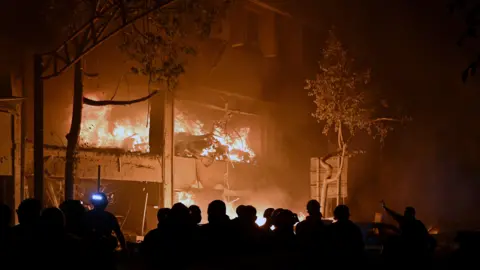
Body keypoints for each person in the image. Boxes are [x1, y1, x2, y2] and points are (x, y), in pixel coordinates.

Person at [84, 192, 127, 268]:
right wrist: (124, 248)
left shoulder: (87, 215)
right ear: (105, 204)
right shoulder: (109, 217)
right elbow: (119, 233)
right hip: (105, 252)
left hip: (90, 252)